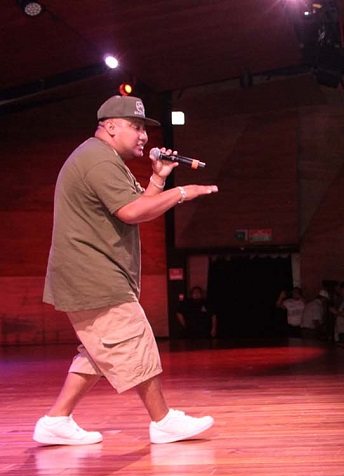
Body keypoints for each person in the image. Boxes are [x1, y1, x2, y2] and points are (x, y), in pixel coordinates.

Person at [34, 95, 218, 446]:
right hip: (93, 274)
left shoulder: (104, 159)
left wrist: (159, 179)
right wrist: (181, 192)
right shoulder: (96, 161)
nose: (144, 136)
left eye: (144, 129)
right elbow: (132, 213)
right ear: (111, 126)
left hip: (93, 272)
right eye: (136, 127)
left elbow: (141, 205)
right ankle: (162, 421)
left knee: (99, 352)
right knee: (135, 340)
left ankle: (56, 420)